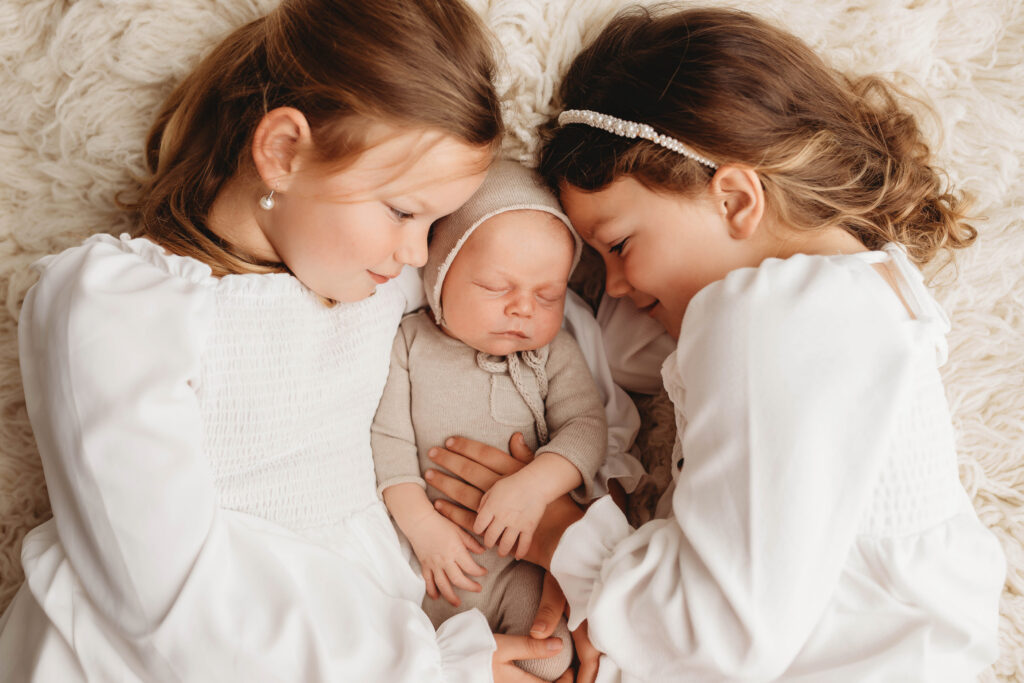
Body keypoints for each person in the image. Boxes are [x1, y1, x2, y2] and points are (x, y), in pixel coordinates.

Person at [424, 7, 1007, 682]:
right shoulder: (867, 291)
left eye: (618, 246)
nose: (614, 287)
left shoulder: (770, 316)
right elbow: (626, 357)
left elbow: (718, 637)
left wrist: (560, 532)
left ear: (734, 200)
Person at [0, 1, 572, 680]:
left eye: (437, 221)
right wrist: (436, 667)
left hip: (361, 634)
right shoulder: (118, 303)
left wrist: (587, 566)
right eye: (402, 211)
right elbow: (163, 595)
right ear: (283, 153)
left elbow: (546, 310)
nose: (419, 250)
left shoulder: (383, 280)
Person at [373, 159, 612, 680]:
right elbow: (387, 442)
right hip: (428, 563)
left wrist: (534, 486)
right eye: (496, 288)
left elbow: (587, 428)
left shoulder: (553, 354)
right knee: (389, 644)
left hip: (521, 565)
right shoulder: (410, 343)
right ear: (440, 279)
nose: (524, 308)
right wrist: (422, 527)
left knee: (550, 657)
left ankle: (487, 659)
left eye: (547, 295)